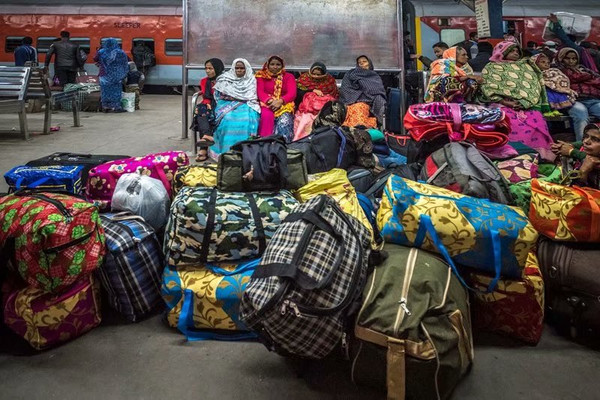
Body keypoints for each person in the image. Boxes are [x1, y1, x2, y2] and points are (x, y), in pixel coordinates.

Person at [479, 41, 554, 160]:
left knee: (538, 121)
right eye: (512, 51)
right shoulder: (491, 67)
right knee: (508, 121)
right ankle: (512, 154)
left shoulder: (526, 67)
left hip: (527, 105)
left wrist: (524, 103)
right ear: (502, 52)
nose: (516, 53)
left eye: (517, 51)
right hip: (502, 104)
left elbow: (534, 87)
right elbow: (488, 87)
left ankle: (540, 156)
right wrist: (506, 102)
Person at [209, 58, 260, 159]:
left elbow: (252, 96)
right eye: (237, 68)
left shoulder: (251, 80)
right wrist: (233, 99)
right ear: (233, 68)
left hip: (246, 104)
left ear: (246, 69)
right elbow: (219, 96)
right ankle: (227, 153)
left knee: (246, 120)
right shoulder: (225, 79)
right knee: (227, 119)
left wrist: (238, 99)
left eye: (242, 68)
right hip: (226, 105)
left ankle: (244, 153)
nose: (239, 70)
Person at [555, 48, 600, 141]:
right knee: (581, 117)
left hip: (593, 100)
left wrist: (584, 77)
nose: (571, 61)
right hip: (574, 101)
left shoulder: (585, 70)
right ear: (561, 59)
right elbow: (567, 80)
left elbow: (598, 81)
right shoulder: (557, 72)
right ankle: (583, 146)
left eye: (574, 58)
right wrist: (587, 78)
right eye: (567, 58)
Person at [255, 55, 297, 142]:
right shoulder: (261, 76)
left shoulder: (289, 76)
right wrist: (270, 101)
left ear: (282, 66)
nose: (275, 67)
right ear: (267, 65)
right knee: (266, 116)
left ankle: (283, 144)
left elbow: (292, 93)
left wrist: (280, 101)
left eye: (278, 64)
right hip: (266, 104)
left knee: (284, 121)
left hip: (284, 104)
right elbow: (260, 92)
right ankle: (265, 143)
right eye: (272, 64)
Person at [294, 62, 339, 139]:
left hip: (324, 110)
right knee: (304, 120)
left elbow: (334, 97)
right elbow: (297, 95)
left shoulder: (329, 82)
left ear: (324, 74)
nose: (316, 76)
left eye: (319, 74)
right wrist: (311, 91)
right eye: (314, 74)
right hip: (306, 110)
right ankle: (301, 140)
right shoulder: (304, 79)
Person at [339, 55, 386, 128]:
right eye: (359, 62)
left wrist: (367, 97)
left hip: (370, 102)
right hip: (351, 101)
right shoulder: (351, 74)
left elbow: (377, 90)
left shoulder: (375, 76)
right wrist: (356, 97)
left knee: (362, 107)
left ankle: (362, 129)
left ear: (369, 63)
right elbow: (346, 89)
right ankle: (356, 129)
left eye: (364, 61)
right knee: (355, 109)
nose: (362, 63)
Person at [192, 58, 225, 161]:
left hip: (223, 103)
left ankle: (203, 148)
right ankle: (206, 136)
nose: (207, 71)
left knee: (205, 114)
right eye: (206, 68)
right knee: (201, 110)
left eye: (210, 68)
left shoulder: (225, 80)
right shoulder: (204, 81)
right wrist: (206, 103)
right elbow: (206, 97)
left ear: (217, 68)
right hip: (210, 104)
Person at [552, 123, 600, 188]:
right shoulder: (584, 160)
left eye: (595, 139)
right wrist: (569, 146)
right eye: (586, 136)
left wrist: (583, 172)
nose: (586, 141)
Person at [93, 38, 129, 113]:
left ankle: (105, 106)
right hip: (116, 75)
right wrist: (124, 73)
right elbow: (125, 63)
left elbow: (95, 58)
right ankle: (116, 107)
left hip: (104, 75)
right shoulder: (120, 52)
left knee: (105, 91)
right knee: (116, 91)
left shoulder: (101, 51)